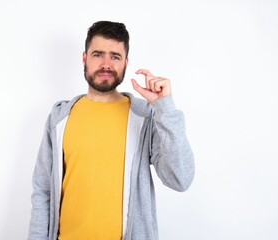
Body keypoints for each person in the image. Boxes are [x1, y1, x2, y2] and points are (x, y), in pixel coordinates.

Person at [28, 20, 195, 240]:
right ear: (85, 59)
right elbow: (43, 191)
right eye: (98, 54)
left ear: (126, 63)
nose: (106, 64)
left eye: (115, 56)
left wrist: (165, 107)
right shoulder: (60, 117)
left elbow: (180, 178)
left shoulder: (144, 117)